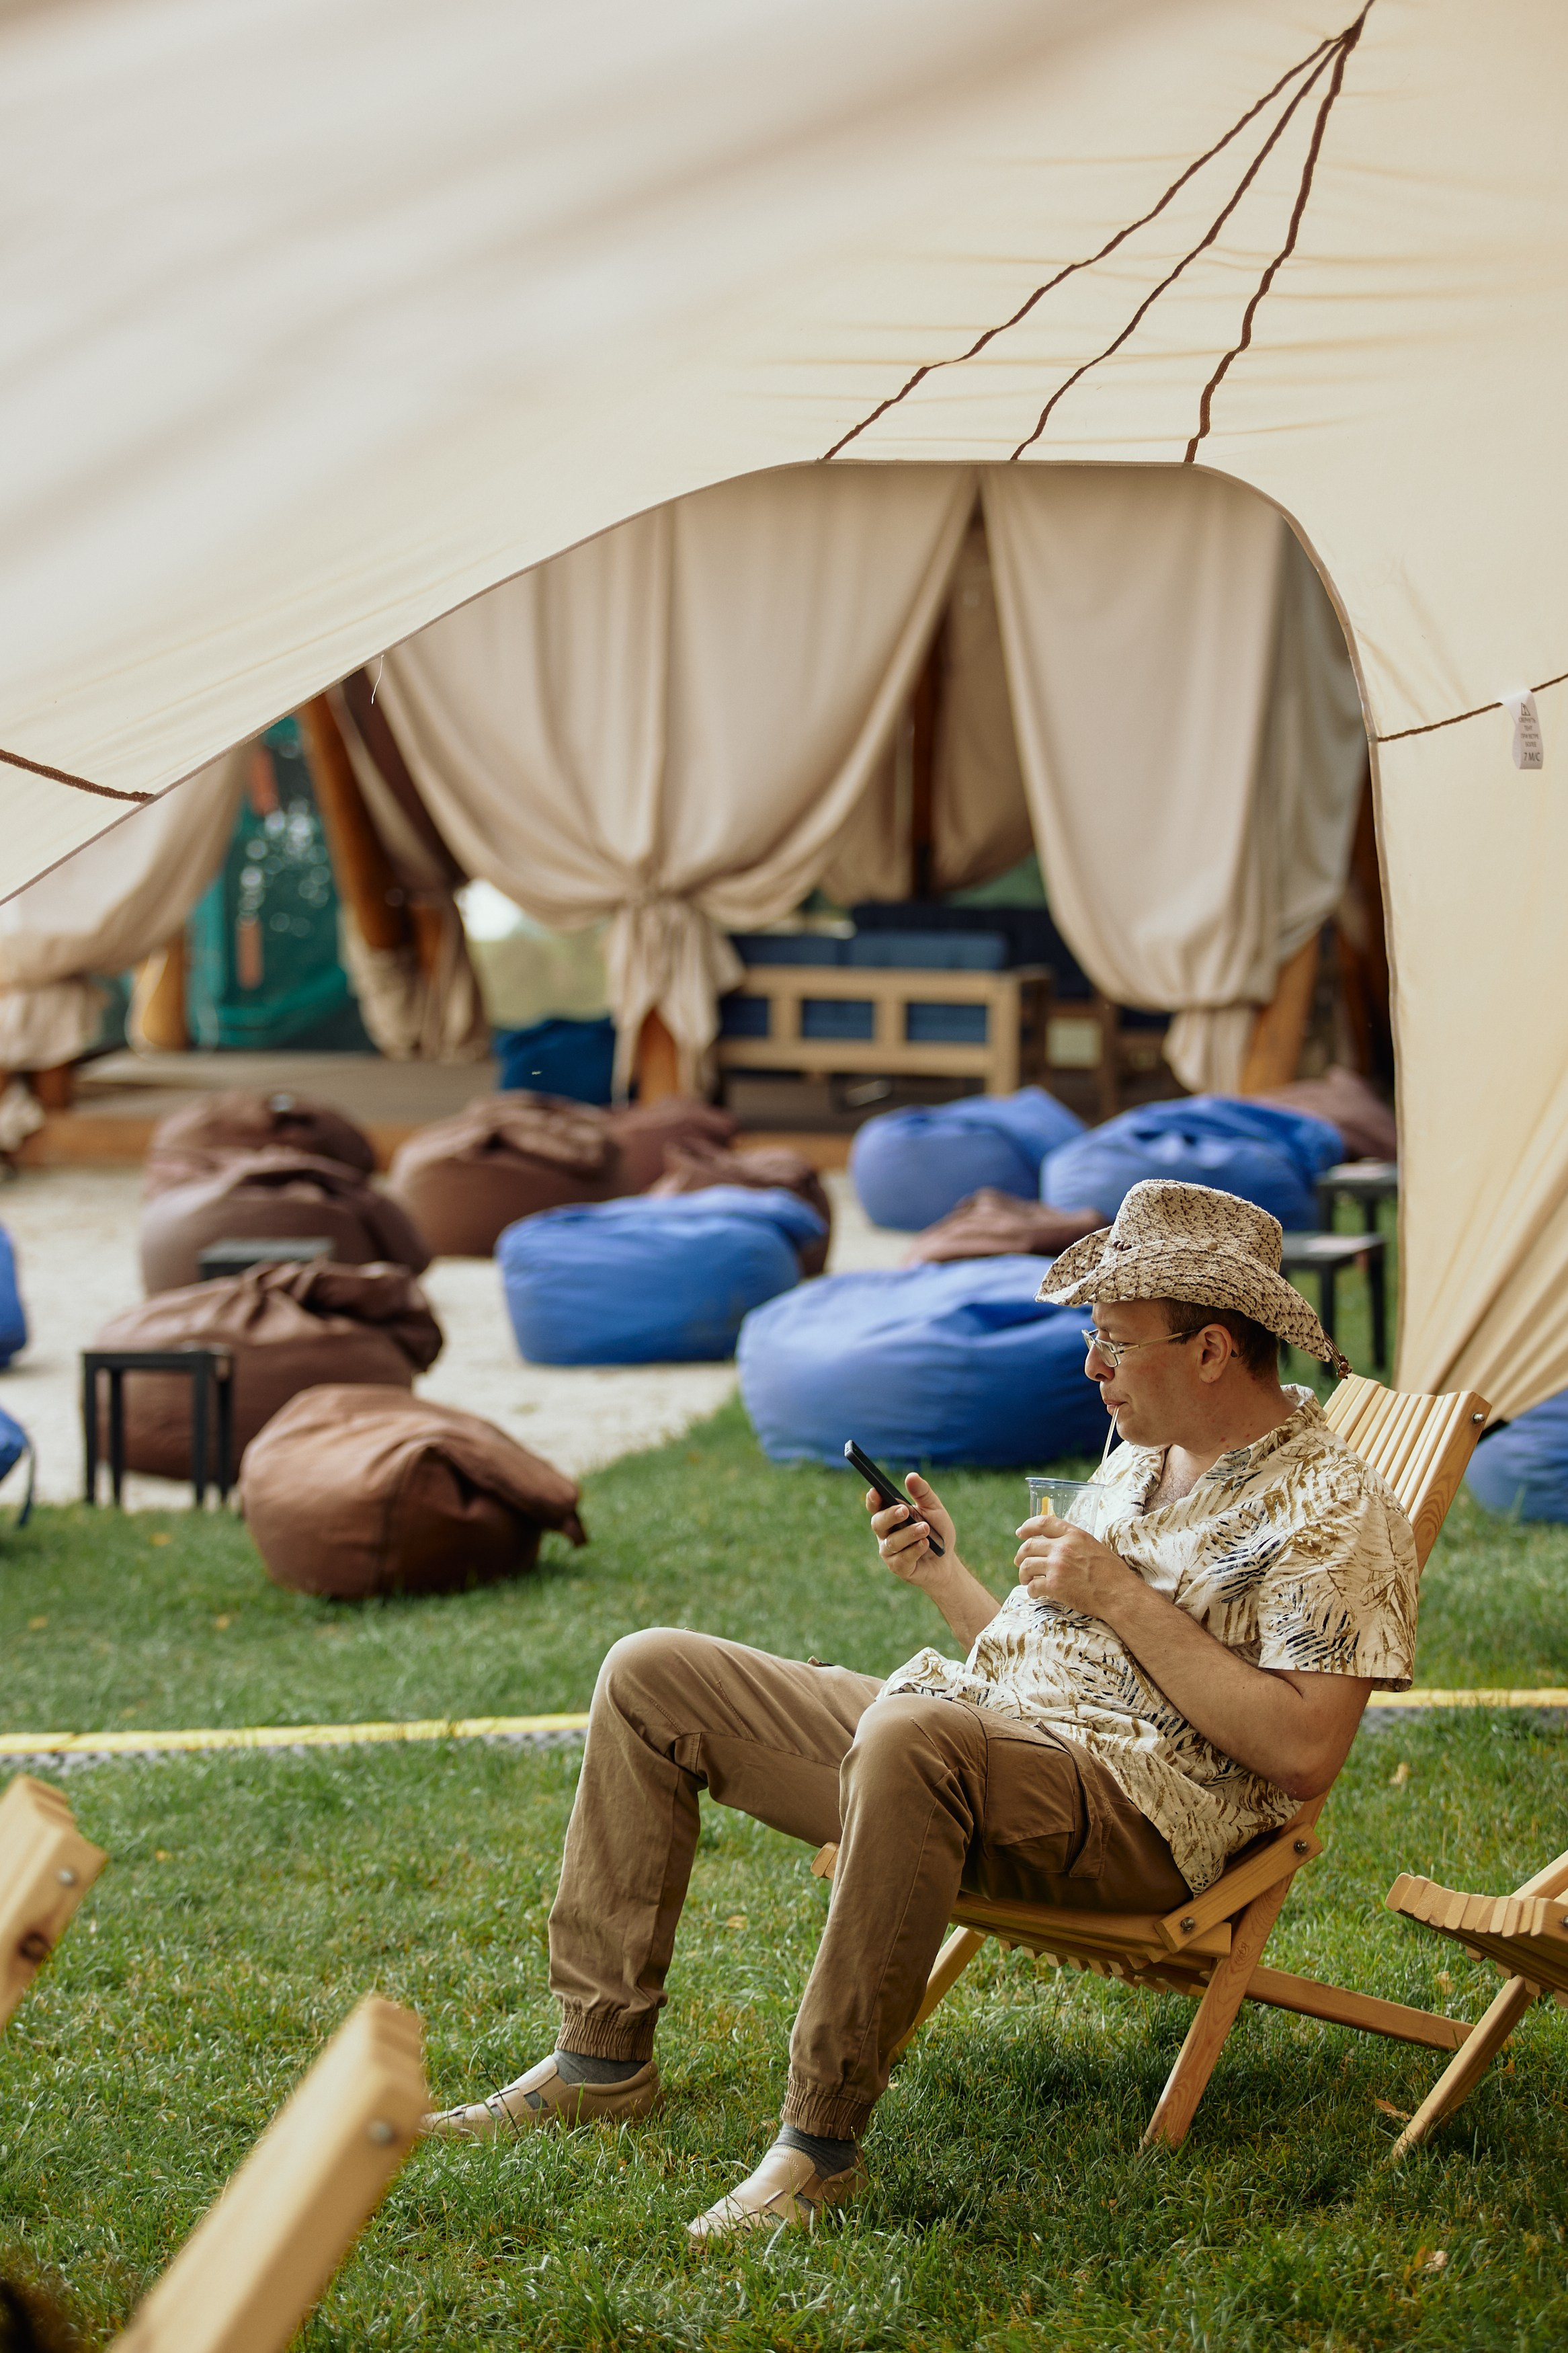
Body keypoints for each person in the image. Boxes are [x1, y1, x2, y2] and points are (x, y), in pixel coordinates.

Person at [428, 1180, 1418, 2240]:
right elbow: (1055, 1662)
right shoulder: (1146, 1449)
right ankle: (600, 2058)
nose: (1091, 1366)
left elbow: (1305, 1752)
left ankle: (818, 2146)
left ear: (1212, 1348)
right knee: (649, 1671)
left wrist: (1118, 1593)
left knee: (911, 1736)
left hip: (1145, 1817)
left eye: (1114, 1342)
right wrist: (948, 1579)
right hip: (987, 1740)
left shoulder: (1332, 1512)